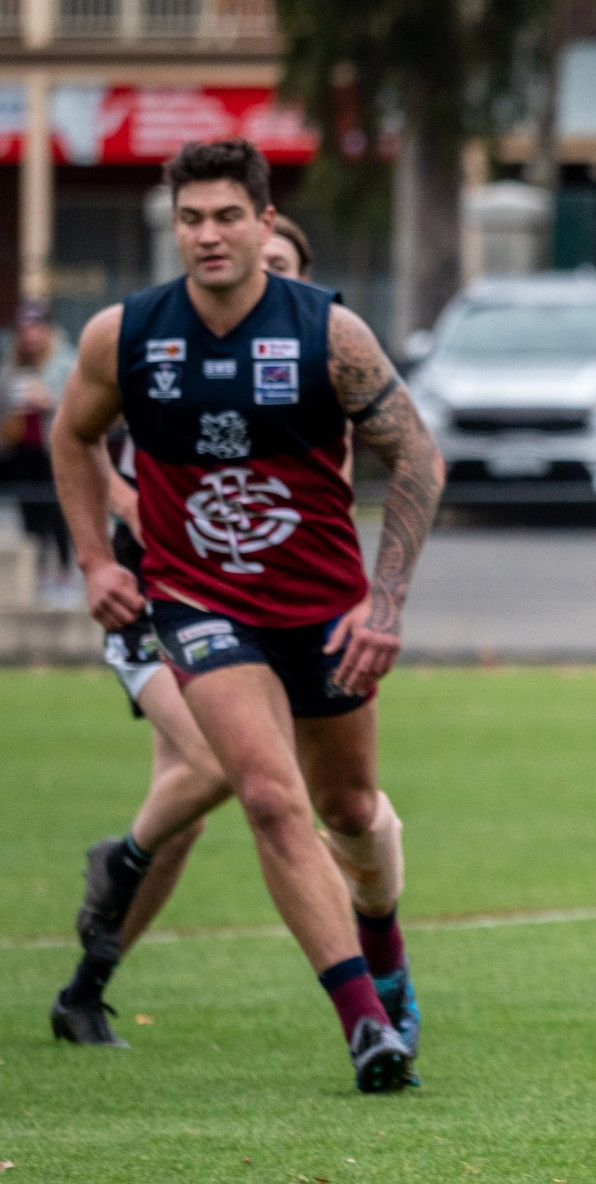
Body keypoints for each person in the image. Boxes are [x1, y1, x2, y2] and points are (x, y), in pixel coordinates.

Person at [48, 138, 442, 1093]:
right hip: (200, 603)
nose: (209, 235)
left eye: (228, 216)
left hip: (324, 611)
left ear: (266, 223)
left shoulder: (329, 333)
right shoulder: (125, 335)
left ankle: (384, 947)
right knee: (266, 795)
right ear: (172, 227)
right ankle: (365, 1028)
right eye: (192, 219)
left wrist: (383, 606)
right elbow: (71, 435)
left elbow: (419, 461)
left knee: (349, 809)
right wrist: (98, 558)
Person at [53, 213, 339, 1047]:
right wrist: (126, 512)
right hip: (158, 600)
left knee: (184, 817)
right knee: (223, 766)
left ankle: (83, 990)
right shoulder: (162, 343)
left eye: (286, 269)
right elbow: (79, 440)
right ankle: (121, 862)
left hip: (259, 609)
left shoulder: (314, 361)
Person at [3, 300, 81, 604]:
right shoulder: (13, 366)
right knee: (30, 517)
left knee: (58, 513)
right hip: (23, 450)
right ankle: (40, 574)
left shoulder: (65, 362)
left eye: (36, 329)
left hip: (55, 449)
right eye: (26, 330)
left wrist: (50, 402)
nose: (31, 336)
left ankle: (64, 573)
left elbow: (80, 408)